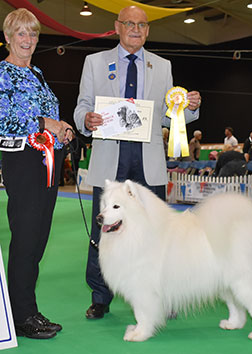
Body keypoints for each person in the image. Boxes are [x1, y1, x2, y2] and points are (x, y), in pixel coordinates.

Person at [74, 5, 201, 320]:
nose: (136, 29)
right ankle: (100, 297)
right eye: (129, 23)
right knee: (104, 234)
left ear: (148, 30)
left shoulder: (163, 66)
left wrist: (191, 108)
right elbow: (82, 107)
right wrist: (86, 120)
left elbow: (170, 116)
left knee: (158, 234)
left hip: (149, 162)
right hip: (109, 163)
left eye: (142, 25)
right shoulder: (95, 62)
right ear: (117, 27)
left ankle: (160, 295)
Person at [0, 9, 73, 339]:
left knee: (38, 240)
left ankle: (27, 309)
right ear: (8, 38)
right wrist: (45, 125)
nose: (27, 40)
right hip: (23, 163)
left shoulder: (38, 74)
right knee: (26, 239)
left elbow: (50, 115)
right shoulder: (2, 74)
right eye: (21, 34)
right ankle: (21, 315)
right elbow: (4, 120)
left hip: (48, 162)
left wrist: (63, 130)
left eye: (32, 35)